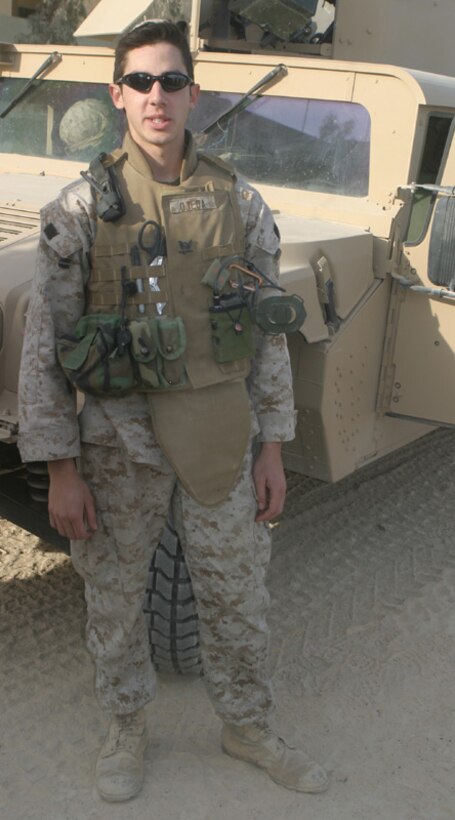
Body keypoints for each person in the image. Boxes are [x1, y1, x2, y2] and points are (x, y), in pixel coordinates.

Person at [18, 19, 328, 803]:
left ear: (194, 93)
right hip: (117, 445)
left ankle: (246, 724)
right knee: (115, 602)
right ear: (117, 94)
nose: (159, 96)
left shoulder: (238, 200)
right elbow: (44, 349)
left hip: (223, 436)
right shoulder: (82, 210)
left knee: (236, 596)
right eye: (143, 82)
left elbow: (266, 332)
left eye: (173, 81)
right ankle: (125, 729)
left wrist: (273, 447)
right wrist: (59, 468)